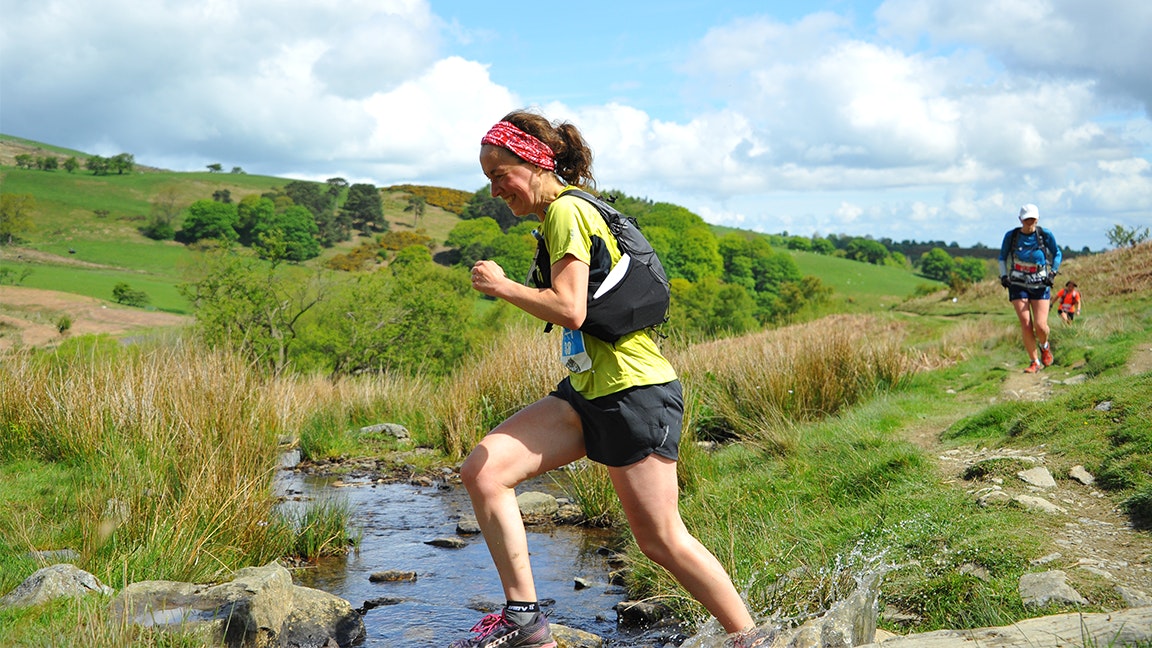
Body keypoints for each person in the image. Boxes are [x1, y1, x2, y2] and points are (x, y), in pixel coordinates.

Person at [453, 110, 772, 648]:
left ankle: (751, 638)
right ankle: (526, 620)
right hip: (588, 390)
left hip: (633, 392)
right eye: (486, 179)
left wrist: (502, 286)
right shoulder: (565, 214)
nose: (493, 191)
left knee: (661, 539)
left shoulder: (567, 213)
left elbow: (571, 308)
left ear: (533, 161)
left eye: (498, 174)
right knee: (483, 471)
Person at [998, 204, 1062, 373]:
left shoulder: (1045, 235)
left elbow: (1057, 253)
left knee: (1040, 326)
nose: (1029, 222)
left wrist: (1053, 273)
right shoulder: (1011, 236)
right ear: (1020, 219)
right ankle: (1034, 362)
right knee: (1026, 324)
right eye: (1026, 219)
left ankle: (1045, 346)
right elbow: (1002, 257)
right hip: (1018, 283)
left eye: (1032, 219)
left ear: (1037, 219)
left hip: (1040, 283)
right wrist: (1004, 276)